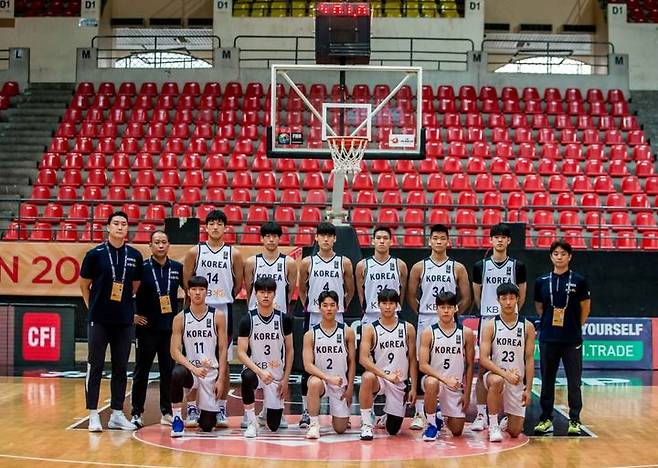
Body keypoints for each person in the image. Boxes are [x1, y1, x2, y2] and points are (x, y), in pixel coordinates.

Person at [79, 211, 143, 432]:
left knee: (121, 367)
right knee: (95, 366)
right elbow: (84, 284)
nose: (119, 227)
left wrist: (123, 306)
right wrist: (93, 307)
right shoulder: (95, 254)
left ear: (127, 229)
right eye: (115, 223)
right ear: (107, 227)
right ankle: (93, 414)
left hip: (124, 320)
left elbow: (134, 286)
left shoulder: (135, 255)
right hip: (99, 319)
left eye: (123, 224)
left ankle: (116, 413)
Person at [407, 224, 471, 430]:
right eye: (435, 238)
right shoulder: (419, 266)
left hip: (449, 317)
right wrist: (423, 313)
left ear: (448, 241)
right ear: (430, 241)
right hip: (426, 317)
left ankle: (445, 408)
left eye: (442, 238)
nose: (438, 242)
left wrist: (453, 312)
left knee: (450, 359)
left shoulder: (458, 267)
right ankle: (419, 411)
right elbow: (410, 295)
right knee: (420, 362)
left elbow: (467, 296)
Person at [183, 209, 244, 428]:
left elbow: (238, 284)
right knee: (192, 359)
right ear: (206, 227)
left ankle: (220, 407)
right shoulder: (194, 252)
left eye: (219, 223)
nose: (215, 227)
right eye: (212, 223)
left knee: (223, 361)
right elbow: (186, 280)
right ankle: (191, 408)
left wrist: (223, 297)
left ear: (225, 228)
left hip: (223, 309)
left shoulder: (234, 254)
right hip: (198, 308)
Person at [297, 221, 354, 428]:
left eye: (330, 236)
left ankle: (339, 407)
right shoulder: (307, 262)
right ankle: (307, 411)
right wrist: (311, 306)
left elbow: (350, 289)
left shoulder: (344, 262)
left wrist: (339, 307)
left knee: (341, 361)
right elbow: (302, 289)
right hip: (314, 315)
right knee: (309, 366)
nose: (326, 239)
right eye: (322, 235)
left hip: (336, 315)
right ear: (316, 238)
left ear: (335, 239)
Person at [471, 223, 527, 431]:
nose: (500, 240)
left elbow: (521, 293)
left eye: (504, 237)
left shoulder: (517, 266)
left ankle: (507, 415)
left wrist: (510, 313)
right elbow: (477, 295)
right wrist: (488, 312)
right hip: (488, 319)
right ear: (491, 240)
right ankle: (481, 415)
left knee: (513, 367)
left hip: (511, 320)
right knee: (483, 369)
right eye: (496, 237)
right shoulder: (480, 266)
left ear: (509, 241)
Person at [242, 220, 297, 429]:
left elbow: (290, 290)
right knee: (253, 364)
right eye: (267, 236)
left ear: (279, 239)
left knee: (278, 363)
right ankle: (251, 415)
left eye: (275, 236)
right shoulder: (252, 262)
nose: (271, 239)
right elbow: (249, 287)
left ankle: (272, 409)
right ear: (262, 238)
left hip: (278, 320)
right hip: (256, 319)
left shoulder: (289, 263)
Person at [533, 240, 591, 436]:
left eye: (563, 253)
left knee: (574, 382)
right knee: (547, 381)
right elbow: (540, 308)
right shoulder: (541, 281)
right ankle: (546, 419)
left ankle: (574, 420)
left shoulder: (580, 281)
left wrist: (575, 326)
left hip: (571, 340)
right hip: (548, 338)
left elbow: (585, 308)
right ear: (551, 256)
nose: (559, 256)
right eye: (556, 253)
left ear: (569, 257)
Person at [131, 230, 184, 428]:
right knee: (141, 371)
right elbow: (128, 293)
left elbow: (189, 291)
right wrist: (133, 315)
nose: (160, 245)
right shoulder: (141, 268)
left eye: (164, 242)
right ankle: (137, 412)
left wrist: (183, 317)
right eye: (157, 242)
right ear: (150, 246)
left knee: (168, 372)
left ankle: (167, 411)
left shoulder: (177, 268)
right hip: (146, 329)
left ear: (169, 245)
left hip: (169, 329)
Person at [169, 276, 228, 437]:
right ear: (188, 292)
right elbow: (174, 351)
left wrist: (221, 379)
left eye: (201, 290)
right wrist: (192, 368)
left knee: (208, 426)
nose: (197, 293)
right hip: (191, 371)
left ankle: (206, 409)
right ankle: (177, 418)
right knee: (176, 373)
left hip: (210, 372)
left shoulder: (218, 316)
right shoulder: (180, 318)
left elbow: (223, 350)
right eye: (194, 289)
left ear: (206, 292)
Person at [237, 277, 294, 438]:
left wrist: (285, 379)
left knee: (274, 426)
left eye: (269, 292)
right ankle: (251, 421)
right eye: (262, 292)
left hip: (276, 373)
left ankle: (266, 412)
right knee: (247, 376)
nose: (266, 296)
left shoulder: (284, 319)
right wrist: (259, 371)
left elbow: (290, 351)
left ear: (275, 294)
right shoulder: (247, 319)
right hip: (256, 371)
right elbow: (241, 353)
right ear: (256, 294)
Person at [480, 283, 536, 442]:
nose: (508, 302)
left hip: (517, 380)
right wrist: (505, 374)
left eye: (512, 298)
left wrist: (529, 389)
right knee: (497, 381)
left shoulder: (527, 327)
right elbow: (483, 359)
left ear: (518, 299)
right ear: (498, 300)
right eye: (504, 298)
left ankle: (508, 422)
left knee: (515, 432)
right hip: (496, 375)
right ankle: (493, 425)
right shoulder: (491, 325)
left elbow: (529, 359)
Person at [359, 288, 417, 441]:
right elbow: (363, 359)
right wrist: (385, 375)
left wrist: (414, 387)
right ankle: (366, 424)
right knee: (367, 377)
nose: (387, 307)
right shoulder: (371, 328)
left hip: (399, 382)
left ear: (397, 305)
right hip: (381, 378)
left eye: (391, 303)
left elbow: (412, 359)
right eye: (384, 303)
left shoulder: (408, 328)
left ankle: (387, 416)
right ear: (378, 305)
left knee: (393, 430)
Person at [418, 292, 475, 441]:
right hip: (435, 381)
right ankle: (431, 425)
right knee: (432, 382)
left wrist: (467, 393)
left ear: (456, 308)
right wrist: (444, 379)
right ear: (436, 309)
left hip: (455, 385)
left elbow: (469, 365)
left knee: (457, 431)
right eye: (442, 307)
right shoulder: (429, 332)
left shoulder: (466, 333)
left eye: (449, 307)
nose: (446, 311)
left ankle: (438, 415)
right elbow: (423, 365)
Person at [302, 290, 356, 439]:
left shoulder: (347, 332)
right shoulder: (310, 334)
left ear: (338, 307)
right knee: (313, 382)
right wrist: (327, 378)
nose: (329, 308)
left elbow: (352, 362)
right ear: (319, 308)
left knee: (340, 429)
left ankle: (343, 416)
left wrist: (350, 387)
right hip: (322, 382)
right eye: (325, 305)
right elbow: (308, 365)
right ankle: (313, 424)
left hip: (340, 384)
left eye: (332, 305)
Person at [355, 225, 408, 326]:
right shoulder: (362, 265)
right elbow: (361, 292)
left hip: (393, 315)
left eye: (385, 238)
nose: (382, 241)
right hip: (370, 315)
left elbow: (402, 292)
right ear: (373, 241)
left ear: (391, 241)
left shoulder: (400, 265)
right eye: (378, 238)